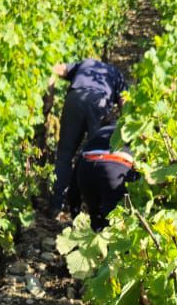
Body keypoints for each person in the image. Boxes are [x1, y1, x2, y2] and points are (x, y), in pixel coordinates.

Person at [46, 58, 130, 215]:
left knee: (65, 155)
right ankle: (92, 207)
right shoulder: (116, 74)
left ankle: (56, 205)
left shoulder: (83, 64)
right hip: (100, 102)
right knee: (97, 156)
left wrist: (49, 99)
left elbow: (54, 68)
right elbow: (124, 105)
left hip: (75, 99)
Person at [72, 120, 137, 231]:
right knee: (113, 220)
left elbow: (73, 180)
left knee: (94, 214)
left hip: (87, 166)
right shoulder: (135, 133)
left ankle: (95, 232)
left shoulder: (99, 132)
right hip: (115, 168)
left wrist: (74, 211)